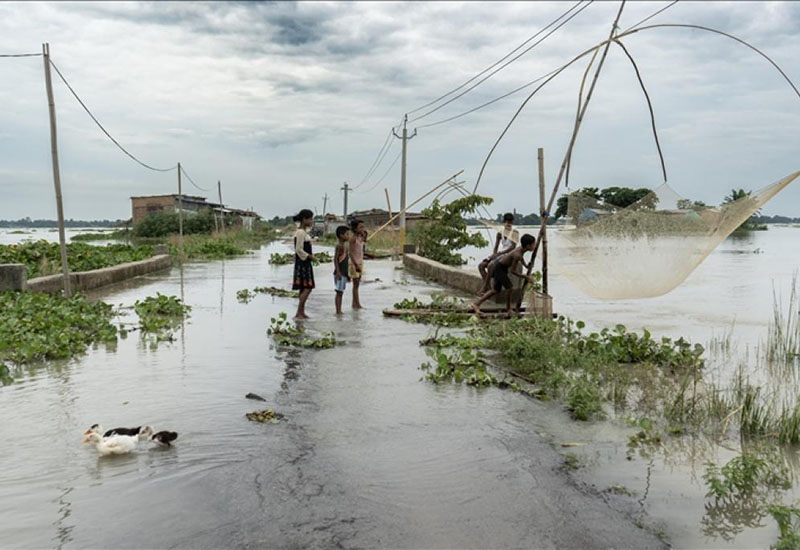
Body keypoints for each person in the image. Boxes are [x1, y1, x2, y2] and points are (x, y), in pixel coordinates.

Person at [472, 233, 536, 316]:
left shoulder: (520, 250)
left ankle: (476, 304)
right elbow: (513, 271)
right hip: (500, 268)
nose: (534, 246)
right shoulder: (518, 254)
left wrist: (526, 266)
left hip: (501, 267)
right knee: (510, 288)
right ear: (528, 246)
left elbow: (521, 258)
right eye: (533, 244)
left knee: (495, 290)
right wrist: (526, 276)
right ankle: (508, 309)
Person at [478, 213, 519, 294]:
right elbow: (496, 246)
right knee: (481, 266)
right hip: (500, 254)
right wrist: (494, 255)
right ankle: (489, 288)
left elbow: (513, 247)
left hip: (508, 255)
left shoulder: (515, 232)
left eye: (510, 222)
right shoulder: (500, 233)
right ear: (504, 222)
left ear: (512, 223)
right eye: (506, 222)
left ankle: (484, 287)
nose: (508, 224)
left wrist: (499, 254)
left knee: (490, 266)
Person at [292, 209, 315, 319]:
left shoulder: (303, 232)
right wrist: (310, 257)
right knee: (308, 287)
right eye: (310, 219)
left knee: (304, 287)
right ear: (304, 219)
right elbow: (299, 249)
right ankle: (299, 312)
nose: (311, 221)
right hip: (303, 263)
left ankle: (301, 312)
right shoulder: (300, 232)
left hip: (304, 262)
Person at [348, 219, 367, 309]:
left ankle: (354, 303)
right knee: (355, 285)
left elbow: (362, 249)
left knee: (357, 284)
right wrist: (355, 265)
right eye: (360, 227)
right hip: (354, 263)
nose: (363, 229)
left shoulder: (360, 238)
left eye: (363, 227)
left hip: (360, 262)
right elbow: (351, 253)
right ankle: (357, 304)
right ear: (355, 229)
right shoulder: (353, 239)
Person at [333, 225, 350, 315]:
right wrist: (338, 272)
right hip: (339, 273)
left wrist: (347, 274)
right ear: (341, 235)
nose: (348, 236)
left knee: (341, 292)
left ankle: (339, 310)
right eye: (347, 234)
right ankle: (338, 310)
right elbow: (335, 259)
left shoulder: (345, 246)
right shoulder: (339, 246)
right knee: (339, 292)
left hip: (344, 272)